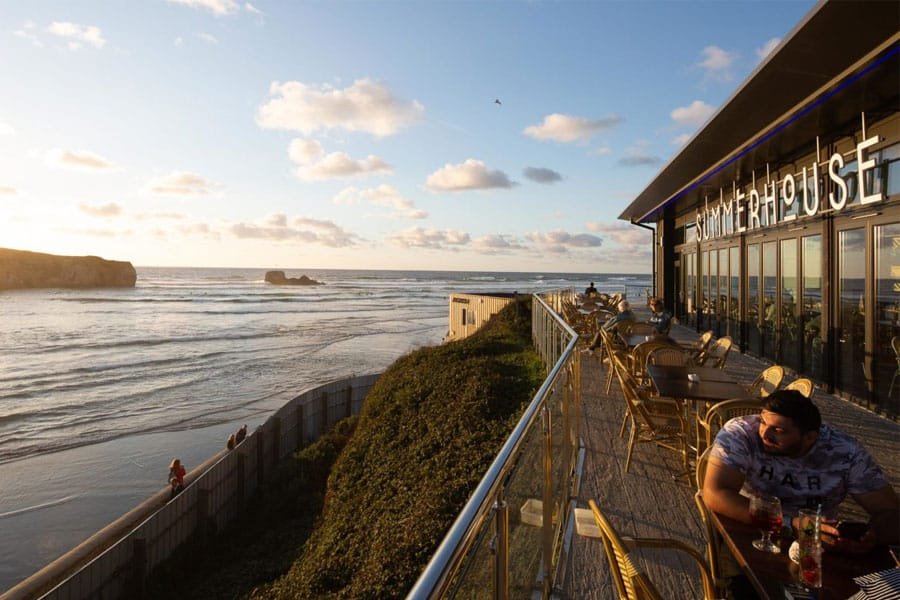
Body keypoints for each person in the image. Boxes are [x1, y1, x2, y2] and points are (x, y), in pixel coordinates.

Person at [703, 389, 899, 554]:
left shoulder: (844, 452)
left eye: (778, 431)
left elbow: (891, 512)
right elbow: (715, 493)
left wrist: (872, 536)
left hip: (821, 544)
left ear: (810, 437)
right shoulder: (742, 434)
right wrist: (794, 524)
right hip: (754, 529)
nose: (765, 434)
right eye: (763, 422)